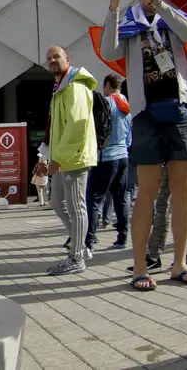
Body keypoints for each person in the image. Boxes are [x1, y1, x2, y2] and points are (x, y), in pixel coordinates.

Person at [102, 0, 187, 291]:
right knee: (146, 192)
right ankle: (141, 267)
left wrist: (158, 4)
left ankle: (180, 263)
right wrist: (114, 6)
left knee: (182, 191)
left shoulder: (172, 16)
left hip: (181, 110)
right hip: (146, 115)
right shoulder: (130, 23)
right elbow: (109, 51)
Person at [41, 46, 98, 276]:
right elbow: (54, 128)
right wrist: (46, 157)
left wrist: (59, 157)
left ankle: (77, 257)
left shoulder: (75, 86)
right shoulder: (60, 88)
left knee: (76, 208)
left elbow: (76, 126)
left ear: (68, 59)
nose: (52, 61)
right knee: (57, 202)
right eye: (49, 59)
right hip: (63, 158)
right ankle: (80, 246)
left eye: (56, 56)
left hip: (74, 158)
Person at [85, 74, 132, 252]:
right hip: (123, 156)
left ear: (108, 85)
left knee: (94, 199)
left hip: (106, 156)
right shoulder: (126, 104)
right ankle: (122, 237)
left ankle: (88, 241)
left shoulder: (106, 103)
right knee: (121, 198)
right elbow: (129, 136)